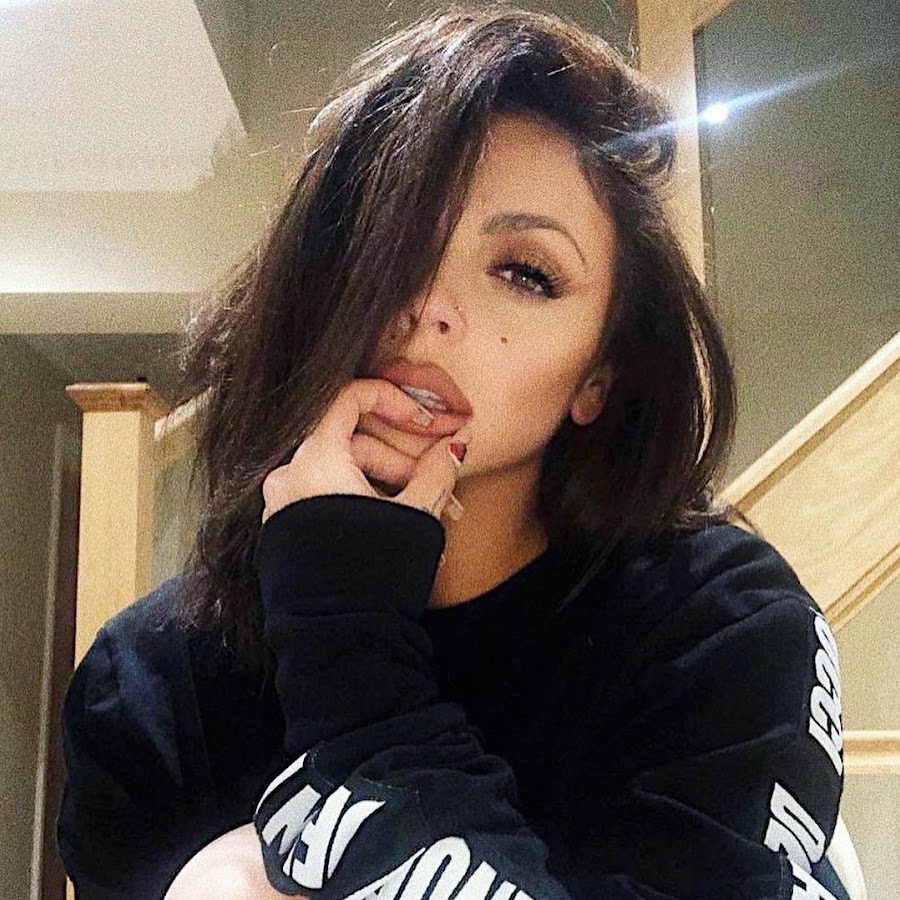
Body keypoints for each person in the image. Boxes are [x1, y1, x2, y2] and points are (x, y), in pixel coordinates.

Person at [56, 5, 849, 900]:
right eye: (388, 241)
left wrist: (346, 632)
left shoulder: (723, 632)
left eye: (525, 273)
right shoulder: (150, 682)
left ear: (597, 378)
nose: (428, 307)